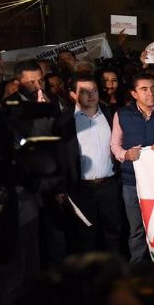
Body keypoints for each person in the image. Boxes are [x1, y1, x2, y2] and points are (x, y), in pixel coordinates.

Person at [110, 73, 154, 263]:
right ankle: (137, 270)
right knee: (137, 229)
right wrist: (125, 155)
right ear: (134, 93)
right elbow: (115, 145)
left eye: (153, 87)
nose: (150, 92)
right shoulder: (122, 114)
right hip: (131, 182)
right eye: (144, 89)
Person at [53, 75, 120, 254]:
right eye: (84, 92)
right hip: (81, 188)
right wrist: (60, 187)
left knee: (113, 233)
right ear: (73, 95)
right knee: (85, 236)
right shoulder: (64, 121)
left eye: (94, 90)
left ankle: (114, 274)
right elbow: (59, 156)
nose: (91, 95)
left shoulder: (110, 113)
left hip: (110, 185)